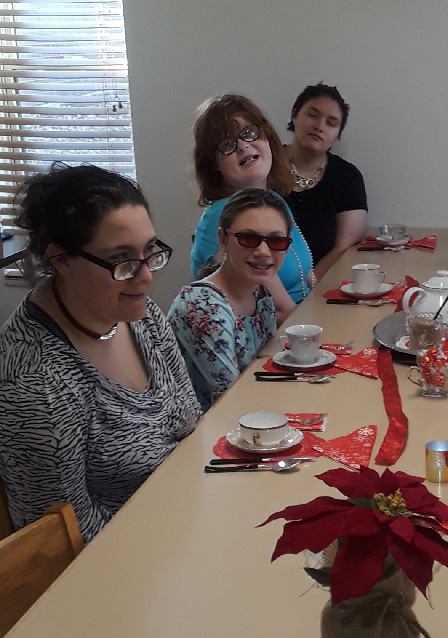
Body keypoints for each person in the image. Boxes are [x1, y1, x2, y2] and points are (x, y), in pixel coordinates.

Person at [0, 164, 201, 543]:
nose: (146, 276)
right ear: (60, 259)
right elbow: (65, 544)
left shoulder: (139, 314)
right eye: (121, 260)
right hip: (124, 568)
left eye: (150, 251)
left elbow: (190, 422)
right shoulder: (37, 387)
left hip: (183, 520)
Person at [191, 94, 313, 313]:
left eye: (248, 133)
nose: (243, 146)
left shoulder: (273, 201)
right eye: (227, 144)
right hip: (268, 339)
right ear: (215, 164)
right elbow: (281, 311)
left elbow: (307, 276)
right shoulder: (220, 217)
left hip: (301, 319)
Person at [169, 189, 288, 411]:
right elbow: (230, 402)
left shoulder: (260, 294)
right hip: (201, 434)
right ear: (222, 239)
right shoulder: (203, 305)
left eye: (277, 241)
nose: (263, 251)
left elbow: (266, 369)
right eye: (249, 238)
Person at [285, 83, 367, 279]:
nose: (319, 126)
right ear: (295, 115)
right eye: (312, 115)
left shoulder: (347, 177)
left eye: (331, 123)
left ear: (337, 134)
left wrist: (307, 291)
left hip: (322, 287)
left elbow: (343, 247)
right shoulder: (264, 166)